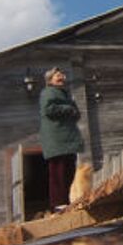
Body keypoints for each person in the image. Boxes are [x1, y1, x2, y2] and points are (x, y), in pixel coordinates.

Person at [39, 67, 85, 213]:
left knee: (69, 171)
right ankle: (58, 204)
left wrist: (73, 111)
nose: (62, 77)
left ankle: (67, 201)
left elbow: (74, 112)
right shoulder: (48, 92)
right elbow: (48, 109)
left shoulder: (64, 94)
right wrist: (68, 109)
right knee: (58, 172)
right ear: (50, 79)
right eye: (58, 75)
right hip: (57, 139)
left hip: (67, 138)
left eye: (62, 75)